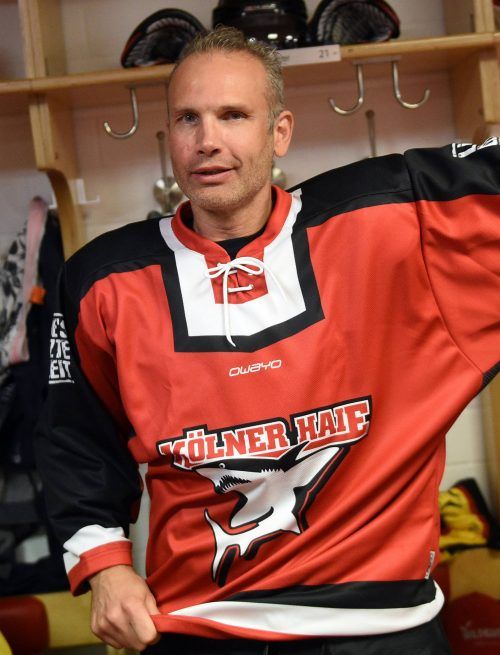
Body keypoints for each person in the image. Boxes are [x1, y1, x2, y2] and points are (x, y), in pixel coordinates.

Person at [35, 25, 500, 655]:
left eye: (233, 115)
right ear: (168, 134)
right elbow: (76, 439)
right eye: (188, 118)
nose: (208, 140)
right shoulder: (100, 279)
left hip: (382, 628)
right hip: (201, 629)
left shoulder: (392, 220)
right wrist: (106, 566)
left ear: (279, 132)